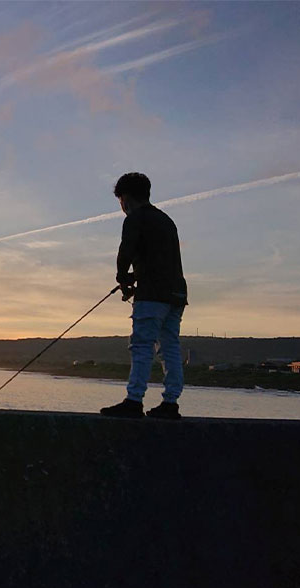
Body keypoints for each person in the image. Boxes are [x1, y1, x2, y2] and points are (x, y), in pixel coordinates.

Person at [100, 173, 187, 419]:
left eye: (120, 202)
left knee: (142, 345)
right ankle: (170, 403)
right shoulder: (166, 220)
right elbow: (159, 260)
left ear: (125, 199)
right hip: (177, 293)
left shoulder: (135, 218)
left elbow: (126, 250)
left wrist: (122, 276)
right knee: (169, 347)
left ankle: (134, 400)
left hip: (152, 295)